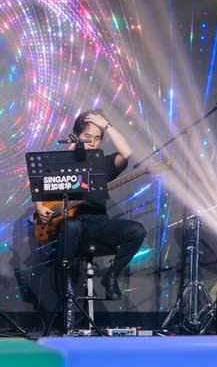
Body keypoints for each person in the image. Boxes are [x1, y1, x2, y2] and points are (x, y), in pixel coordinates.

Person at [16, 109, 146, 329]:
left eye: (97, 138)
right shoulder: (60, 163)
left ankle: (111, 275)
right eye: (87, 137)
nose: (92, 143)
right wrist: (39, 207)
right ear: (76, 136)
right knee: (72, 225)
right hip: (69, 225)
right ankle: (66, 282)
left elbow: (126, 153)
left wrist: (106, 125)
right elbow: (40, 188)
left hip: (98, 223)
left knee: (137, 230)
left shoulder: (102, 164)